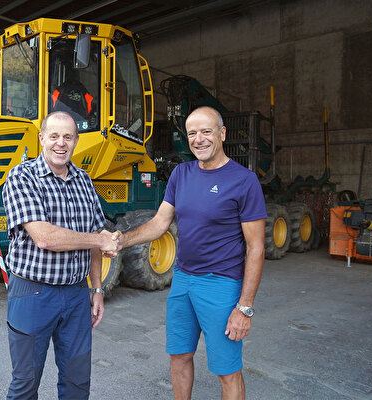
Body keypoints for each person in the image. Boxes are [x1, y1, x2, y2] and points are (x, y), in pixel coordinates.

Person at [112, 106, 267, 399]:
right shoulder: (181, 174)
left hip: (221, 284)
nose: (198, 139)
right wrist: (123, 240)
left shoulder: (244, 180)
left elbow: (256, 247)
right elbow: (159, 223)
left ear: (222, 134)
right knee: (179, 356)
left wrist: (244, 307)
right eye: (192, 133)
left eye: (206, 131)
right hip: (183, 281)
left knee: (226, 370)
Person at [2, 111, 116, 400]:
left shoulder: (85, 182)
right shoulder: (22, 177)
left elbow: (94, 242)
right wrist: (100, 239)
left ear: (77, 141)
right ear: (41, 139)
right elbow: (45, 237)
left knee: (78, 384)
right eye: (53, 136)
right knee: (25, 385)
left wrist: (97, 289)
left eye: (67, 137)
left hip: (77, 296)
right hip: (32, 294)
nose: (60, 143)